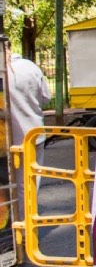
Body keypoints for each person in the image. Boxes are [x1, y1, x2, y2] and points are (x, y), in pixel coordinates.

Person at [6, 42, 51, 217]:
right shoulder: (30, 67)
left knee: (10, 186)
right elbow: (46, 97)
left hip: (8, 140)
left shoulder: (4, 72)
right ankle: (27, 230)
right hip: (34, 135)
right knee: (29, 184)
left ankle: (13, 228)